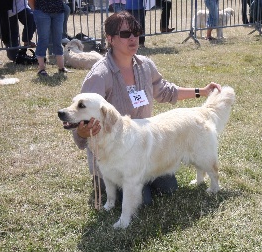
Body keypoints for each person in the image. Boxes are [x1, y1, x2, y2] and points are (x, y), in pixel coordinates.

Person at [72, 11, 221, 206]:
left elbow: (167, 92)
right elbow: (79, 121)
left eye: (136, 32)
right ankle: (104, 182)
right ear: (110, 39)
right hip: (114, 157)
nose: (133, 38)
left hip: (143, 150)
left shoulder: (145, 65)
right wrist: (82, 133)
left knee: (169, 188)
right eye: (125, 34)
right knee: (144, 200)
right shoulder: (99, 76)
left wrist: (201, 91)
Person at [28, 0, 71, 76]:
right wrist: (34, 10)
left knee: (58, 39)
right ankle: (41, 69)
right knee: (43, 39)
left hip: (58, 11)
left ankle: (61, 67)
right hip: (41, 11)